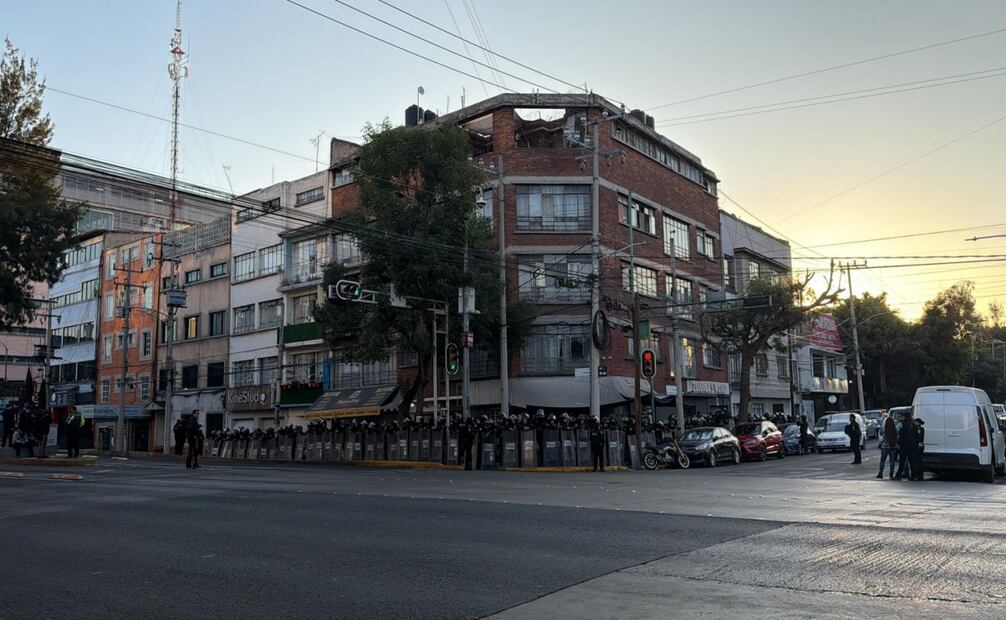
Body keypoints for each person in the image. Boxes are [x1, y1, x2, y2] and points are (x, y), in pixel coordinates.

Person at [897, 412, 919, 480]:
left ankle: (898, 475)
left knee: (902, 461)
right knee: (912, 461)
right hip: (913, 445)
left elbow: (900, 433)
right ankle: (914, 475)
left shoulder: (903, 424)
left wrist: (899, 441)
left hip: (904, 445)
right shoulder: (913, 425)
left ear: (905, 417)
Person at [877, 415, 898, 479]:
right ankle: (891, 474)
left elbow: (881, 434)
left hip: (885, 446)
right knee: (892, 461)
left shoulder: (884, 429)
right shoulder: (895, 429)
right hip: (893, 446)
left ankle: (880, 473)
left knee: (882, 460)